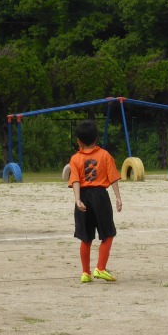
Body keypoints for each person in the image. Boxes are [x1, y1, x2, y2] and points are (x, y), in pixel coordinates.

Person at [68, 119, 122, 283]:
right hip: (100, 197)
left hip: (83, 196)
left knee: (86, 238)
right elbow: (113, 177)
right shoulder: (105, 155)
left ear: (79, 141)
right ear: (97, 138)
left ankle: (86, 273)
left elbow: (75, 180)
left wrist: (77, 200)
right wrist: (118, 197)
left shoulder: (75, 159)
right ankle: (100, 268)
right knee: (108, 233)